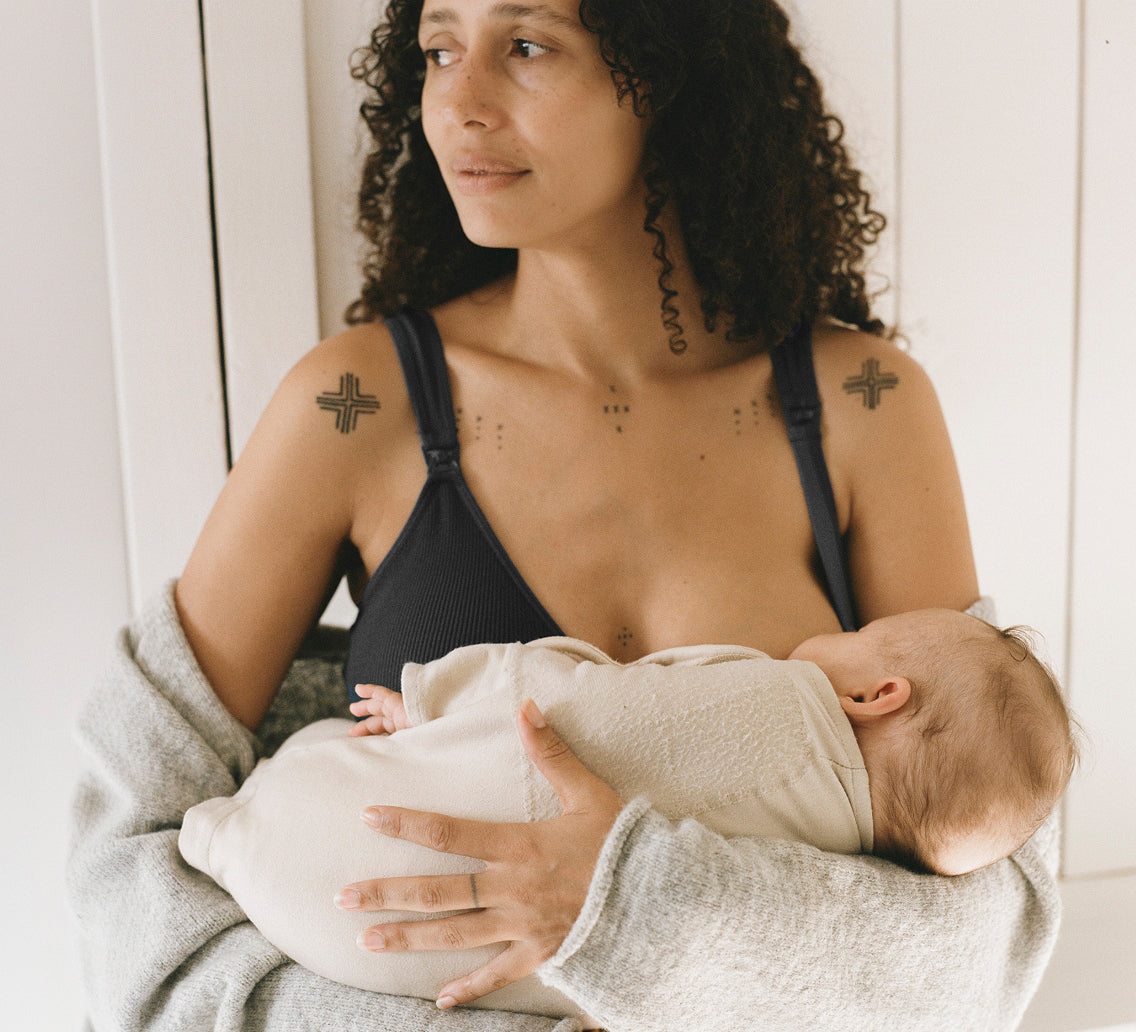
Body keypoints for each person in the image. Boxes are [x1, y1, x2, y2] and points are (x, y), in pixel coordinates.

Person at [67, 0, 1066, 1029]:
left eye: (526, 45)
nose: (458, 102)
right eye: (439, 49)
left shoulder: (863, 406)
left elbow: (990, 932)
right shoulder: (355, 406)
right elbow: (124, 872)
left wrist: (637, 913)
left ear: (667, 73)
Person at [177, 609, 1076, 1021]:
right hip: (353, 951)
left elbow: (570, 702)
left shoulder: (790, 706)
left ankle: (224, 832)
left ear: (878, 693)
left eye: (867, 630)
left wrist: (436, 696)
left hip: (321, 838)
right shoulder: (851, 844)